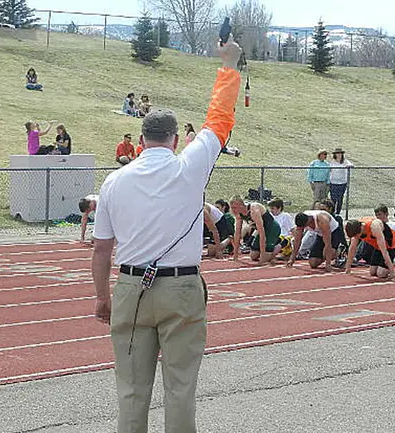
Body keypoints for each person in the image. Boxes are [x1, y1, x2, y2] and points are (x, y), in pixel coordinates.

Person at [91, 36, 242, 433]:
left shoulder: (113, 181)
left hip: (129, 285)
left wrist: (103, 297)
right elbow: (219, 120)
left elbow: (101, 249)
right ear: (175, 140)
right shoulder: (189, 166)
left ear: (140, 141)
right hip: (180, 287)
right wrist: (228, 66)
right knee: (180, 389)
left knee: (131, 391)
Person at [230, 196, 281, 264]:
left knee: (265, 258)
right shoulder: (239, 214)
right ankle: (268, 250)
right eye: (232, 207)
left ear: (241, 205)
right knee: (253, 256)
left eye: (234, 207)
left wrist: (262, 256)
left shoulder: (254, 210)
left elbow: (262, 233)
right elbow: (237, 233)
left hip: (272, 228)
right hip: (261, 230)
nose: (233, 210)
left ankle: (282, 243)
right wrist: (235, 254)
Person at [329, 147, 353, 215]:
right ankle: (332, 212)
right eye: (337, 153)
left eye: (340, 153)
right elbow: (330, 170)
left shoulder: (345, 161)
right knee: (333, 199)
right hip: (333, 182)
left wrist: (348, 166)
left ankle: (338, 212)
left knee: (340, 198)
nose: (339, 154)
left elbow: (351, 165)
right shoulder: (332, 162)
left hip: (342, 183)